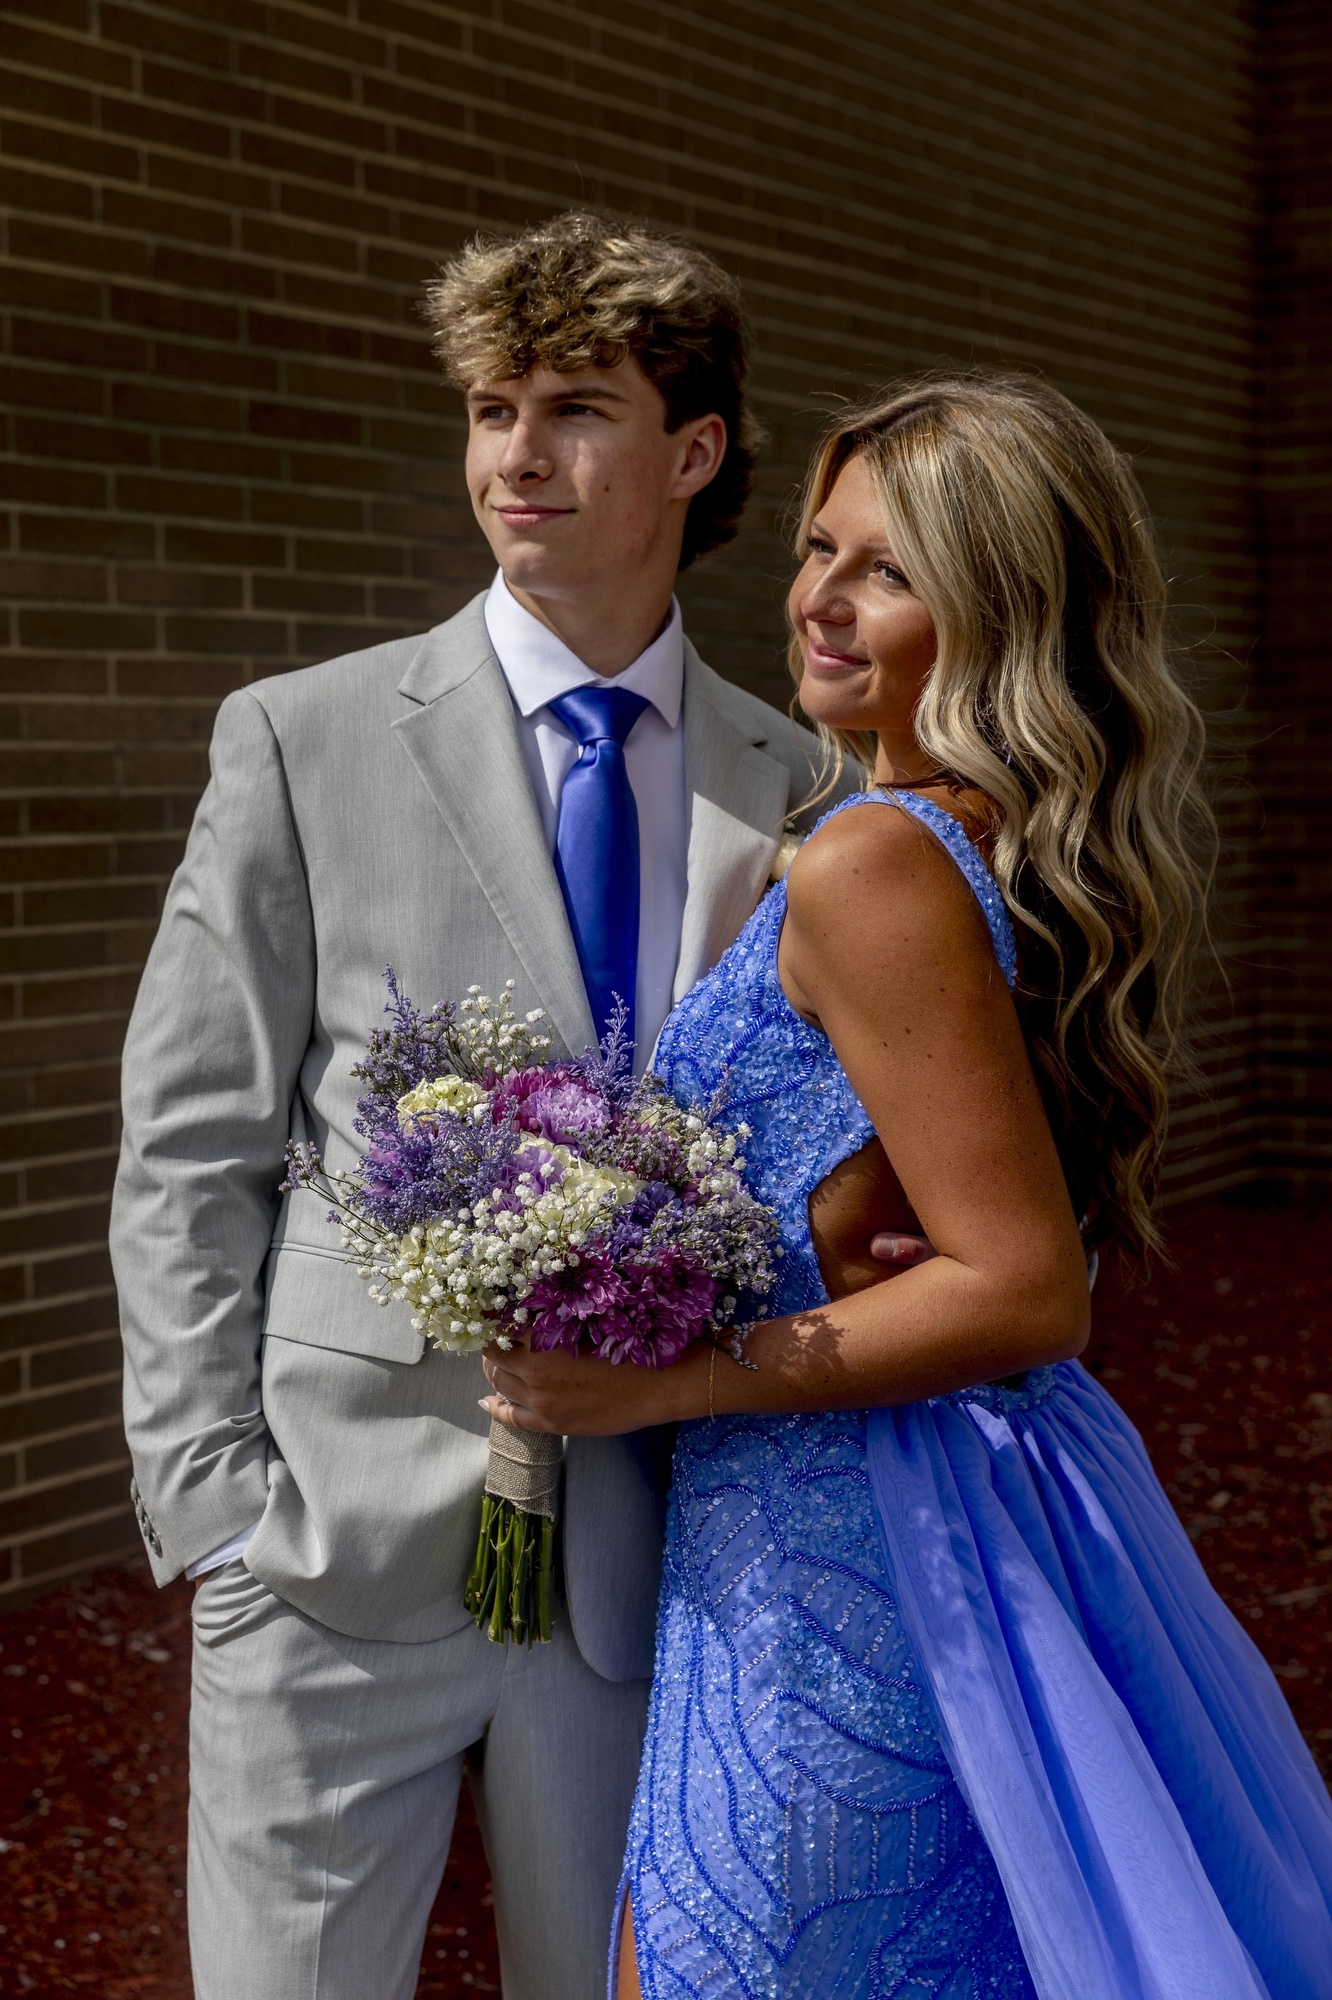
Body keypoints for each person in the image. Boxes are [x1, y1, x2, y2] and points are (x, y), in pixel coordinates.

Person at [479, 372, 1332, 1999]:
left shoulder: (876, 862)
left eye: (888, 569)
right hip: (961, 1504)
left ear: (1002, 610)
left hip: (847, 1563)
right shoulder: (978, 838)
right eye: (817, 549)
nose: (819, 597)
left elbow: (1023, 1287)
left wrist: (660, 1382)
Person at [109, 211, 856, 2000]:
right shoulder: (302, 737)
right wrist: (213, 1501)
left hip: (658, 1560)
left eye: (576, 406)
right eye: (489, 406)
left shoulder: (802, 782)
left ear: (692, 451)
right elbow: (189, 1147)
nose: (517, 455)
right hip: (323, 1544)